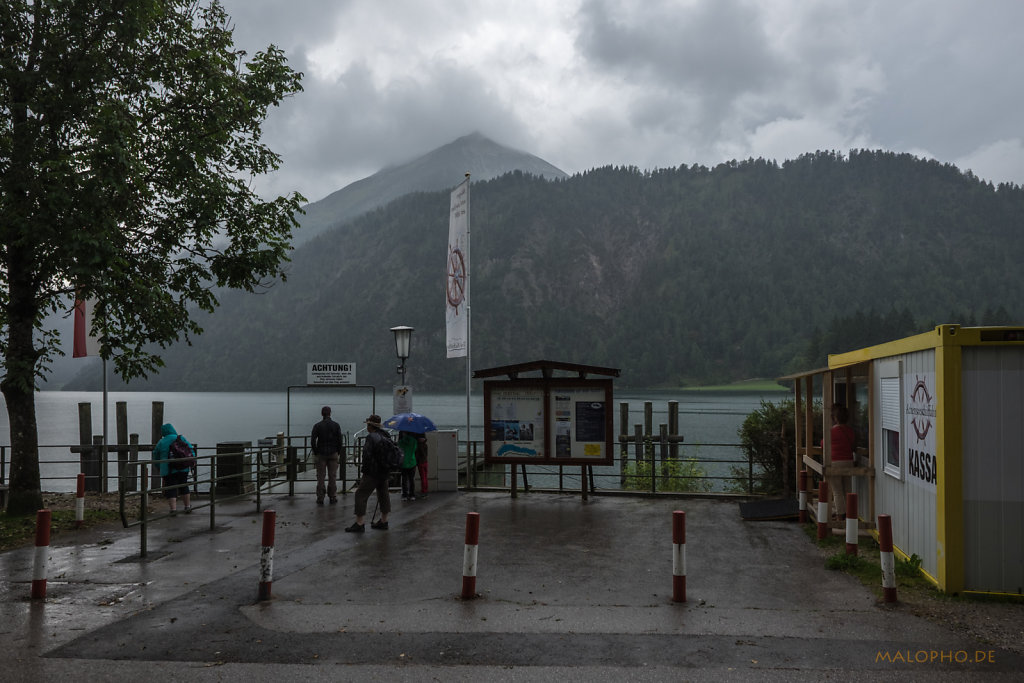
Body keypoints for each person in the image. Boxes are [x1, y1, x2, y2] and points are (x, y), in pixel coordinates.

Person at [346, 414, 393, 532]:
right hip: (384, 470)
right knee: (383, 494)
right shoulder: (386, 435)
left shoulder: (371, 437)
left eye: (367, 424)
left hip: (372, 472)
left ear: (370, 426)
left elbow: (367, 456)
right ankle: (384, 520)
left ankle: (360, 523)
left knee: (360, 494)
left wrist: (365, 471)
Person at [153, 422, 193, 515]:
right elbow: (190, 450)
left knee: (171, 488)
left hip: (168, 469)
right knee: (184, 486)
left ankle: (173, 509)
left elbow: (155, 455)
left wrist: (159, 467)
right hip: (183, 467)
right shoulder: (181, 438)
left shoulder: (161, 442)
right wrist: (190, 463)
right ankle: (187, 507)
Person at [825, 403, 856, 520]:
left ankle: (840, 515)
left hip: (835, 462)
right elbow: (852, 444)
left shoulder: (831, 431)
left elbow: (824, 445)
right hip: (848, 461)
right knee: (848, 489)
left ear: (835, 418)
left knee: (837, 490)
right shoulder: (851, 431)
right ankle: (849, 514)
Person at [310, 406, 343, 505]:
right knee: (332, 476)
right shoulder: (336, 425)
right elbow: (340, 440)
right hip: (333, 453)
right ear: (330, 413)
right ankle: (332, 496)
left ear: (321, 414)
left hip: (321, 453)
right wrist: (338, 451)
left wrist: (316, 451)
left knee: (320, 476)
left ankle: (320, 497)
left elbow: (312, 441)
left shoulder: (317, 426)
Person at [398, 430, 418, 501]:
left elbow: (399, 450)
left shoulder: (401, 442)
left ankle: (405, 495)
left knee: (404, 479)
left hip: (403, 463)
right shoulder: (414, 441)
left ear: (404, 433)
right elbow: (415, 449)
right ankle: (412, 495)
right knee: (411, 479)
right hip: (412, 462)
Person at [414, 433, 429, 498]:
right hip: (425, 462)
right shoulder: (425, 445)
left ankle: (424, 491)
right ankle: (425, 490)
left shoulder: (419, 445)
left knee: (422, 477)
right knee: (425, 477)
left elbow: (417, 455)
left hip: (420, 463)